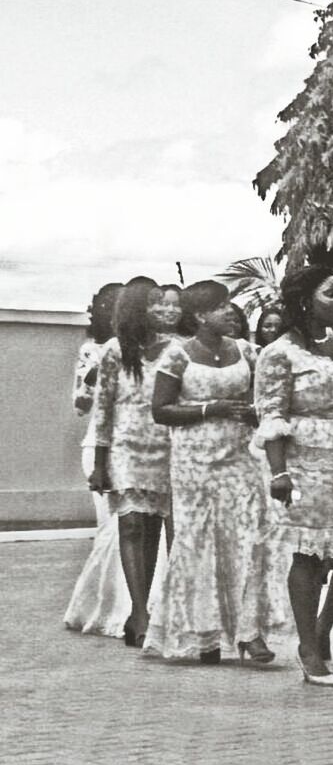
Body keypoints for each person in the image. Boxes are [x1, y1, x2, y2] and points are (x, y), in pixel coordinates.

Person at [147, 280, 289, 665]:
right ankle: (204, 634)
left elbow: (264, 397)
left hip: (240, 458)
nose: (230, 312)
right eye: (221, 306)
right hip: (195, 465)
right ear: (199, 316)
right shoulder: (177, 356)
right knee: (200, 544)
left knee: (248, 539)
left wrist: (252, 411)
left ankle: (250, 633)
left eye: (230, 305)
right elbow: (161, 410)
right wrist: (213, 409)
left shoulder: (245, 351)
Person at [254, 266, 333, 686]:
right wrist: (279, 471)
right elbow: (271, 413)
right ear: (305, 300)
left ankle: (323, 628)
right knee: (308, 553)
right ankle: (308, 646)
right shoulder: (280, 353)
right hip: (305, 459)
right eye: (330, 295)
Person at [88, 277, 178, 646]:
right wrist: (99, 461)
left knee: (153, 528)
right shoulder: (114, 349)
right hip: (126, 446)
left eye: (165, 304)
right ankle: (139, 612)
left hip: (165, 446)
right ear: (137, 309)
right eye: (154, 304)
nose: (162, 310)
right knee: (131, 527)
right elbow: (103, 408)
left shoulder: (177, 349)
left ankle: (145, 608)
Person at [64, 282, 127, 637]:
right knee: (111, 531)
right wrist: (95, 374)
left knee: (133, 531)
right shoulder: (92, 351)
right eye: (109, 306)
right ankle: (103, 609)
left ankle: (131, 608)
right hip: (100, 448)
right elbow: (80, 405)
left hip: (139, 447)